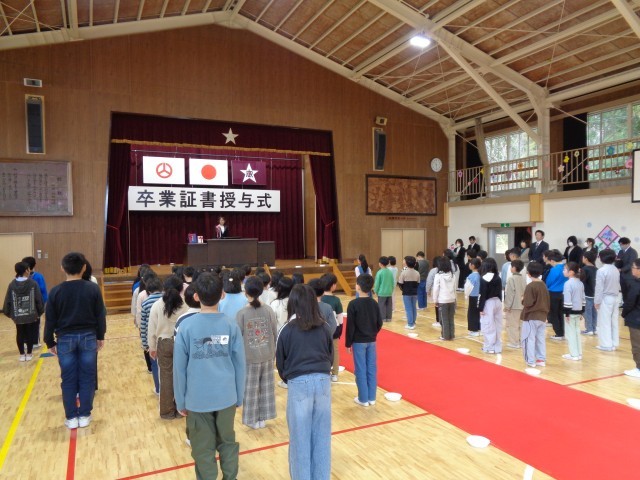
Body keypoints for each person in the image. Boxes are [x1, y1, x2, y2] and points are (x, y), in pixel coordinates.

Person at [173, 272, 246, 480]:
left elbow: (179, 369)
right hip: (226, 396)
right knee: (228, 442)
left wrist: (181, 400)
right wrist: (239, 395)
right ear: (222, 294)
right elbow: (240, 364)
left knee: (203, 449)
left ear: (196, 296)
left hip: (197, 399)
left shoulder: (185, 327)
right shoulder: (231, 325)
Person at [276, 284, 333, 480]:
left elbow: (280, 363)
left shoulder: (286, 329)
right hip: (323, 381)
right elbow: (330, 356)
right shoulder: (324, 327)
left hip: (298, 383)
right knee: (322, 437)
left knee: (300, 439)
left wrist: (290, 378)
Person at [44, 252, 106, 429]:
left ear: (62, 268)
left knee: (68, 378)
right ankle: (85, 415)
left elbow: (50, 320)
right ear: (84, 267)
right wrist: (100, 336)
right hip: (88, 336)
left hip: (65, 339)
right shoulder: (92, 289)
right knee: (87, 377)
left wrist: (49, 341)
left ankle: (71, 417)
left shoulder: (56, 291)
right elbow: (100, 315)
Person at [236, 276, 277, 430]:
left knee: (251, 389)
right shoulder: (268, 310)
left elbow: (237, 337)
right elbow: (274, 332)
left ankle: (252, 419)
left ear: (246, 292)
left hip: (249, 357)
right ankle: (263, 418)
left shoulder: (242, 313)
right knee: (266, 388)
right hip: (267, 355)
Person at [148, 275, 188, 419]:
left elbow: (151, 328)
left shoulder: (157, 305)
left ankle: (166, 412)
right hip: (182, 342)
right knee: (182, 376)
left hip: (164, 343)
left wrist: (152, 347)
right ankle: (181, 409)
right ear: (181, 289)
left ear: (164, 288)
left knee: (165, 377)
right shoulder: (186, 305)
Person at [346, 274, 383, 407]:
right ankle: (371, 397)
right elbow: (379, 322)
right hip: (371, 340)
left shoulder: (353, 304)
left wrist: (348, 343)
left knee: (360, 369)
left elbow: (350, 326)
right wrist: (373, 333)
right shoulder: (374, 303)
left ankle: (363, 398)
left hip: (358, 341)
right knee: (371, 368)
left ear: (358, 286)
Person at [3, 261, 44, 361]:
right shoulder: (33, 283)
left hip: (18, 315)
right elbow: (38, 299)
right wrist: (40, 312)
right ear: (26, 270)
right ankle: (29, 354)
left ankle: (22, 355)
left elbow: (8, 300)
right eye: (28, 269)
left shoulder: (12, 284)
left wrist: (10, 314)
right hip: (31, 314)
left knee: (20, 333)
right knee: (30, 333)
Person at [520, 262, 550, 368]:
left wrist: (522, 299)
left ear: (528, 273)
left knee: (529, 338)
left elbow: (528, 303)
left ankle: (530, 360)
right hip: (542, 316)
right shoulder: (543, 285)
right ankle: (541, 359)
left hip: (531, 316)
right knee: (540, 339)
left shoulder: (530, 286)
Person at [140, 275, 163, 395]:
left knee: (155, 364)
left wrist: (145, 344)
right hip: (167, 337)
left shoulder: (146, 303)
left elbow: (143, 326)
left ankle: (158, 389)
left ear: (148, 290)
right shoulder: (167, 299)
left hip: (153, 338)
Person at [595, 249, 621, 352]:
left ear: (601, 258)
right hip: (616, 297)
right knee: (613, 321)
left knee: (604, 321)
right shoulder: (615, 269)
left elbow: (599, 288)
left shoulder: (601, 270)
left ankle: (606, 345)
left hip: (606, 298)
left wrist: (597, 301)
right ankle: (614, 343)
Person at [321, 273, 344, 382]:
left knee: (322, 350)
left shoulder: (319, 299)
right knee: (335, 351)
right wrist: (340, 330)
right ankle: (334, 373)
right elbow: (340, 317)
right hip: (334, 330)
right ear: (333, 286)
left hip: (320, 330)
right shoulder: (336, 300)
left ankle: (323, 371)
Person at [478, 258, 503, 354]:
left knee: (488, 325)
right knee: (497, 325)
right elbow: (500, 292)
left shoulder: (484, 278)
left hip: (488, 303)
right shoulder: (498, 277)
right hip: (498, 301)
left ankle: (489, 347)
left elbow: (482, 294)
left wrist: (480, 308)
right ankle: (497, 347)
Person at [22, 256, 47, 348]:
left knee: (24, 323)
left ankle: (26, 342)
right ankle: (35, 342)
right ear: (35, 265)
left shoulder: (20, 278)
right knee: (36, 323)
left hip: (24, 305)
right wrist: (43, 303)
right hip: (35, 305)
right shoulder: (38, 276)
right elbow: (43, 290)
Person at [562, 262, 585, 361]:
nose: (563, 271)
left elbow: (567, 299)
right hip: (578, 310)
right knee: (576, 332)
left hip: (570, 312)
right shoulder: (580, 283)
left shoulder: (568, 284)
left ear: (571, 272)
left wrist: (567, 313)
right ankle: (578, 353)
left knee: (570, 333)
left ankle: (574, 354)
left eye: (565, 269)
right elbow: (583, 299)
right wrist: (582, 311)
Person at [622, 259, 640, 377]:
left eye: (633, 267)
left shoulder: (636, 285)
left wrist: (624, 313)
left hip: (636, 318)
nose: (632, 269)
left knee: (637, 344)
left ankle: (639, 368)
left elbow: (630, 303)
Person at [432, 256, 457, 341]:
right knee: (451, 318)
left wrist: (435, 300)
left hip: (442, 300)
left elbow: (436, 289)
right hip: (452, 299)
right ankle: (451, 335)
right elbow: (455, 288)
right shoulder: (453, 275)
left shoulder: (438, 276)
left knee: (443, 319)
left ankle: (445, 336)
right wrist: (455, 299)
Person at [545, 250, 567, 340]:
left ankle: (558, 333)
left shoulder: (554, 269)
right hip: (563, 293)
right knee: (561, 313)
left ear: (552, 261)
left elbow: (549, 282)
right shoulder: (565, 268)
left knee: (554, 313)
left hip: (553, 293)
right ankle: (562, 332)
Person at [504, 259, 526, 348]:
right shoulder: (523, 279)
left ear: (513, 268)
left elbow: (510, 294)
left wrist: (507, 306)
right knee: (521, 325)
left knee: (512, 325)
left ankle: (514, 342)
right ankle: (521, 341)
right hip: (522, 305)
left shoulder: (511, 279)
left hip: (514, 306)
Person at [398, 256, 420, 330]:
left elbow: (400, 283)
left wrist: (403, 289)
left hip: (406, 293)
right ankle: (413, 322)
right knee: (413, 307)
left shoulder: (404, 272)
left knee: (408, 308)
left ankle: (410, 324)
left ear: (406, 263)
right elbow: (418, 283)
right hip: (414, 292)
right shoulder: (417, 273)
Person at [581, 250, 598, 335]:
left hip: (587, 294)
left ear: (586, 259)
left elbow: (581, 282)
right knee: (594, 312)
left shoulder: (585, 269)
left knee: (587, 312)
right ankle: (594, 328)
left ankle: (589, 329)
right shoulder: (596, 269)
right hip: (595, 294)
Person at [616, 237, 638, 303]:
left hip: (629, 276)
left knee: (630, 292)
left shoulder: (633, 252)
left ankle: (630, 304)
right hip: (621, 276)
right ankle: (625, 303)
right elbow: (618, 261)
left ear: (627, 244)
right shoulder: (620, 251)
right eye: (620, 244)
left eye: (622, 244)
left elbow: (631, 264)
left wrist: (621, 269)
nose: (621, 246)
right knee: (624, 291)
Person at [373, 256, 394, 322]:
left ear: (380, 263)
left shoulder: (379, 272)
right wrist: (391, 290)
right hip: (389, 292)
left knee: (381, 306)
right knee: (389, 306)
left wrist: (375, 291)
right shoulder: (390, 272)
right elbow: (392, 282)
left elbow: (377, 283)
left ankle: (383, 318)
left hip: (382, 292)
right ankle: (389, 318)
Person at [464, 258, 482, 336]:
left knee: (472, 313)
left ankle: (474, 330)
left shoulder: (471, 276)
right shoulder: (480, 275)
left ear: (473, 265)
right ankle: (478, 328)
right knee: (478, 312)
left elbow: (468, 287)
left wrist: (466, 295)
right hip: (480, 296)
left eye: (470, 263)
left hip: (473, 296)